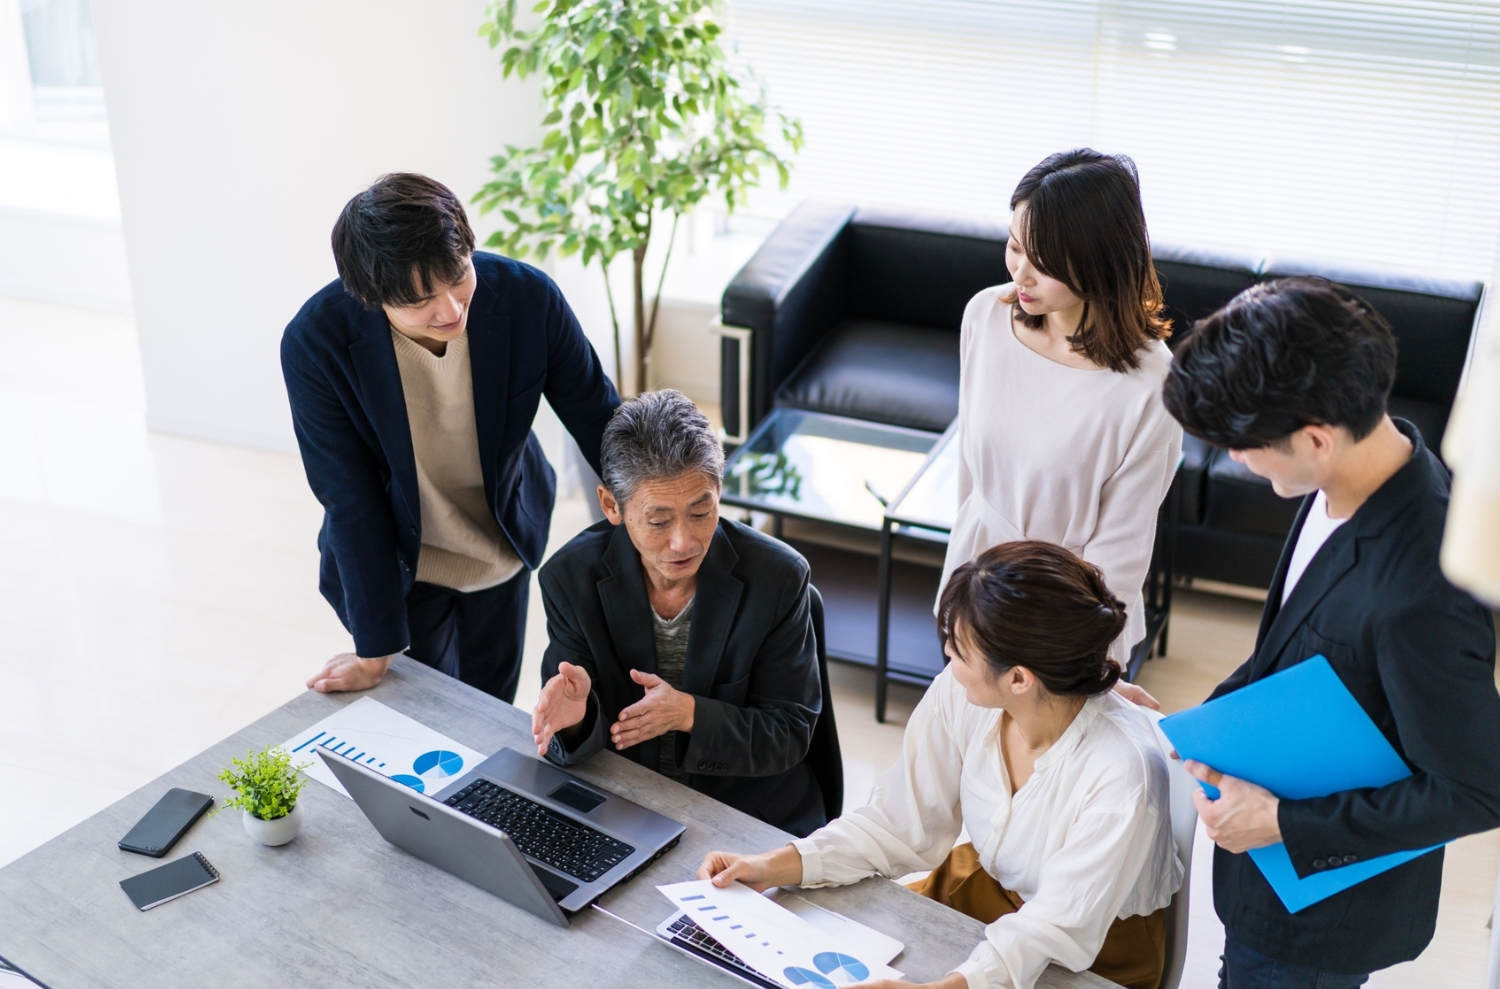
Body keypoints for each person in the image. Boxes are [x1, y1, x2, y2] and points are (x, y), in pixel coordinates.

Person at [1160, 277, 1500, 988]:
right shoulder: (1344, 479)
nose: (1233, 462)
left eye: (1242, 446)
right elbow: (1300, 637)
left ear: (1315, 438)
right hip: (1269, 884)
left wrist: (1283, 822)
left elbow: (1476, 789)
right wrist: (1210, 717)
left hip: (1321, 919)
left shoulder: (1424, 590)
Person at [699, 541, 1183, 989]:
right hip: (988, 886)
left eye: (960, 650)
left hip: (1098, 947)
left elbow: (1052, 929)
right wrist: (772, 865)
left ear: (1018, 678)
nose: (948, 657)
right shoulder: (964, 693)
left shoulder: (1123, 773)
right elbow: (897, 822)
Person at [281, 173, 620, 702]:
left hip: (502, 536)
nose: (451, 310)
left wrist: (658, 515)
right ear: (370, 296)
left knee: (490, 706)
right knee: (425, 717)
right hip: (401, 557)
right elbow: (348, 495)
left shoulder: (529, 298)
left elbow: (599, 415)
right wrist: (374, 649)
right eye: (420, 301)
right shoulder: (316, 343)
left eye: (458, 277)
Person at [530, 390, 828, 836]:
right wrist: (577, 720)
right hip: (629, 806)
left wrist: (687, 713)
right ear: (612, 505)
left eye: (701, 511)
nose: (683, 542)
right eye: (659, 521)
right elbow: (571, 733)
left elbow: (788, 733)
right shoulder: (570, 578)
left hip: (745, 814)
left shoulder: (779, 578)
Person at [942, 149, 1183, 672]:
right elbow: (970, 477)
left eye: (1043, 263)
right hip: (974, 587)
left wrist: (1076, 659)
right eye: (1013, 247)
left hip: (1070, 617)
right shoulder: (985, 316)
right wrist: (961, 593)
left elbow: (1121, 552)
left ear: (1098, 260)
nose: (1020, 274)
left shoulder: (1151, 383)